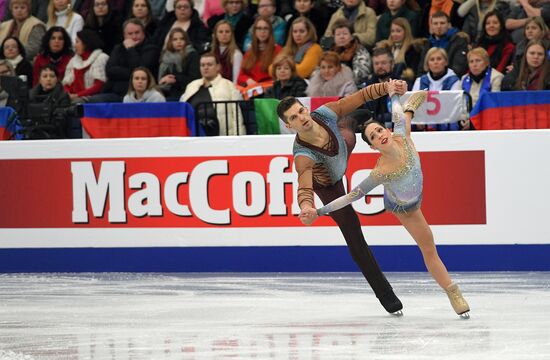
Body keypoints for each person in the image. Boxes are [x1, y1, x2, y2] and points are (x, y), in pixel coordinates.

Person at [299, 90, 471, 318]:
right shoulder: (380, 172)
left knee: (407, 111)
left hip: (415, 190)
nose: (379, 134)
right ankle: (453, 291)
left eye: (379, 129)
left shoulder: (402, 134)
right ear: (373, 147)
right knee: (429, 248)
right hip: (404, 206)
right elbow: (351, 196)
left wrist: (397, 93)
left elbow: (399, 109)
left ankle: (364, 118)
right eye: (373, 136)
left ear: (387, 130)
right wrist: (320, 211)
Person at [276, 80, 408, 315]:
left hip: (343, 143)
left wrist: (388, 87)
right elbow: (304, 187)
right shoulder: (303, 155)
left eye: (301, 111)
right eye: (294, 118)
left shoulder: (325, 113)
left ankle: (360, 119)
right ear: (288, 126)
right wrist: (307, 206)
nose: (301, 118)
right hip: (329, 184)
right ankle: (386, 296)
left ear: (306, 109)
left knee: (351, 123)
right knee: (354, 233)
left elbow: (360, 94)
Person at [93, 18, 160, 103]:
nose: (134, 36)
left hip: (138, 96)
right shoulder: (118, 48)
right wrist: (131, 71)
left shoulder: (151, 49)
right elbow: (110, 71)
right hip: (114, 91)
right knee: (94, 101)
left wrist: (130, 49)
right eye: (130, 34)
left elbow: (141, 70)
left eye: (137, 32)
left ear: (143, 33)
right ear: (124, 36)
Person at [181, 52, 246, 136]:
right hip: (193, 135)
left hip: (221, 137)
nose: (206, 68)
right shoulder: (191, 86)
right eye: (202, 65)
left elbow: (237, 114)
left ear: (218, 67)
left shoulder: (229, 86)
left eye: (209, 64)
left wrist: (239, 138)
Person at [412, 47, 461, 130]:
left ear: (445, 62)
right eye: (432, 59)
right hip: (423, 123)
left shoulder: (455, 81)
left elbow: (454, 108)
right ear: (427, 64)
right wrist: (419, 120)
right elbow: (413, 105)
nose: (435, 62)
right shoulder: (419, 81)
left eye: (439, 59)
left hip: (446, 122)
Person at [376, 17, 427, 87]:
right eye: (392, 31)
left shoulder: (413, 50)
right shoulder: (385, 48)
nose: (394, 34)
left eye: (398, 31)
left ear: (406, 32)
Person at [62, 29, 109, 103]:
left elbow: (99, 85)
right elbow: (66, 84)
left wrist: (77, 95)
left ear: (86, 43)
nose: (74, 45)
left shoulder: (101, 58)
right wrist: (68, 94)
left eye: (77, 42)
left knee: (75, 104)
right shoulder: (73, 60)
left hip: (92, 97)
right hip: (74, 96)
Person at [28, 64, 71, 138]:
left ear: (57, 79)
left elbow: (61, 122)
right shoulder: (30, 96)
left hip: (55, 134)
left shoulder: (62, 96)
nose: (48, 79)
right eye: (45, 76)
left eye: (52, 76)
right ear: (39, 80)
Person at [158, 27, 200, 100]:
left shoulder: (192, 55)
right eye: (175, 39)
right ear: (170, 42)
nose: (179, 42)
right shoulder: (166, 56)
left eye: (182, 39)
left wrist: (175, 79)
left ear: (186, 41)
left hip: (186, 92)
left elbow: (194, 78)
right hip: (168, 91)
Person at [424, 11, 469, 78]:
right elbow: (422, 68)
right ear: (431, 26)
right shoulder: (427, 43)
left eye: (442, 23)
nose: (439, 26)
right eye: (435, 23)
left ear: (449, 25)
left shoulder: (459, 41)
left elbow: (458, 68)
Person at [329, 18, 372, 86]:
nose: (341, 37)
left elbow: (360, 76)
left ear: (352, 36)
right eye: (338, 34)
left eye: (345, 34)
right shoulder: (330, 52)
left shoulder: (360, 51)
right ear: (333, 37)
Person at [474, 10, 515, 74]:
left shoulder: (508, 46)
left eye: (495, 23)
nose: (491, 25)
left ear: (501, 26)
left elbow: (498, 71)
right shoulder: (480, 43)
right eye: (488, 23)